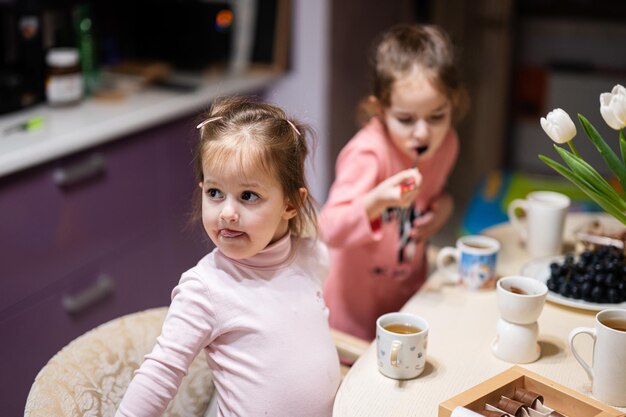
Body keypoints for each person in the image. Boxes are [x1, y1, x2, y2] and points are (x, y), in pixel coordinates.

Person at [116, 96, 340, 417]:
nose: (228, 213)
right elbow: (159, 375)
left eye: (248, 196)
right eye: (215, 193)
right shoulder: (204, 289)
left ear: (290, 204)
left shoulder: (310, 256)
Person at [320, 24, 469, 341]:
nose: (422, 133)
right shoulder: (367, 154)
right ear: (380, 109)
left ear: (452, 104)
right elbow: (329, 229)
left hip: (408, 296)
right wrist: (376, 200)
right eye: (405, 119)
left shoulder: (448, 144)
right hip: (353, 312)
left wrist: (445, 207)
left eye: (437, 116)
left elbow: (434, 196)